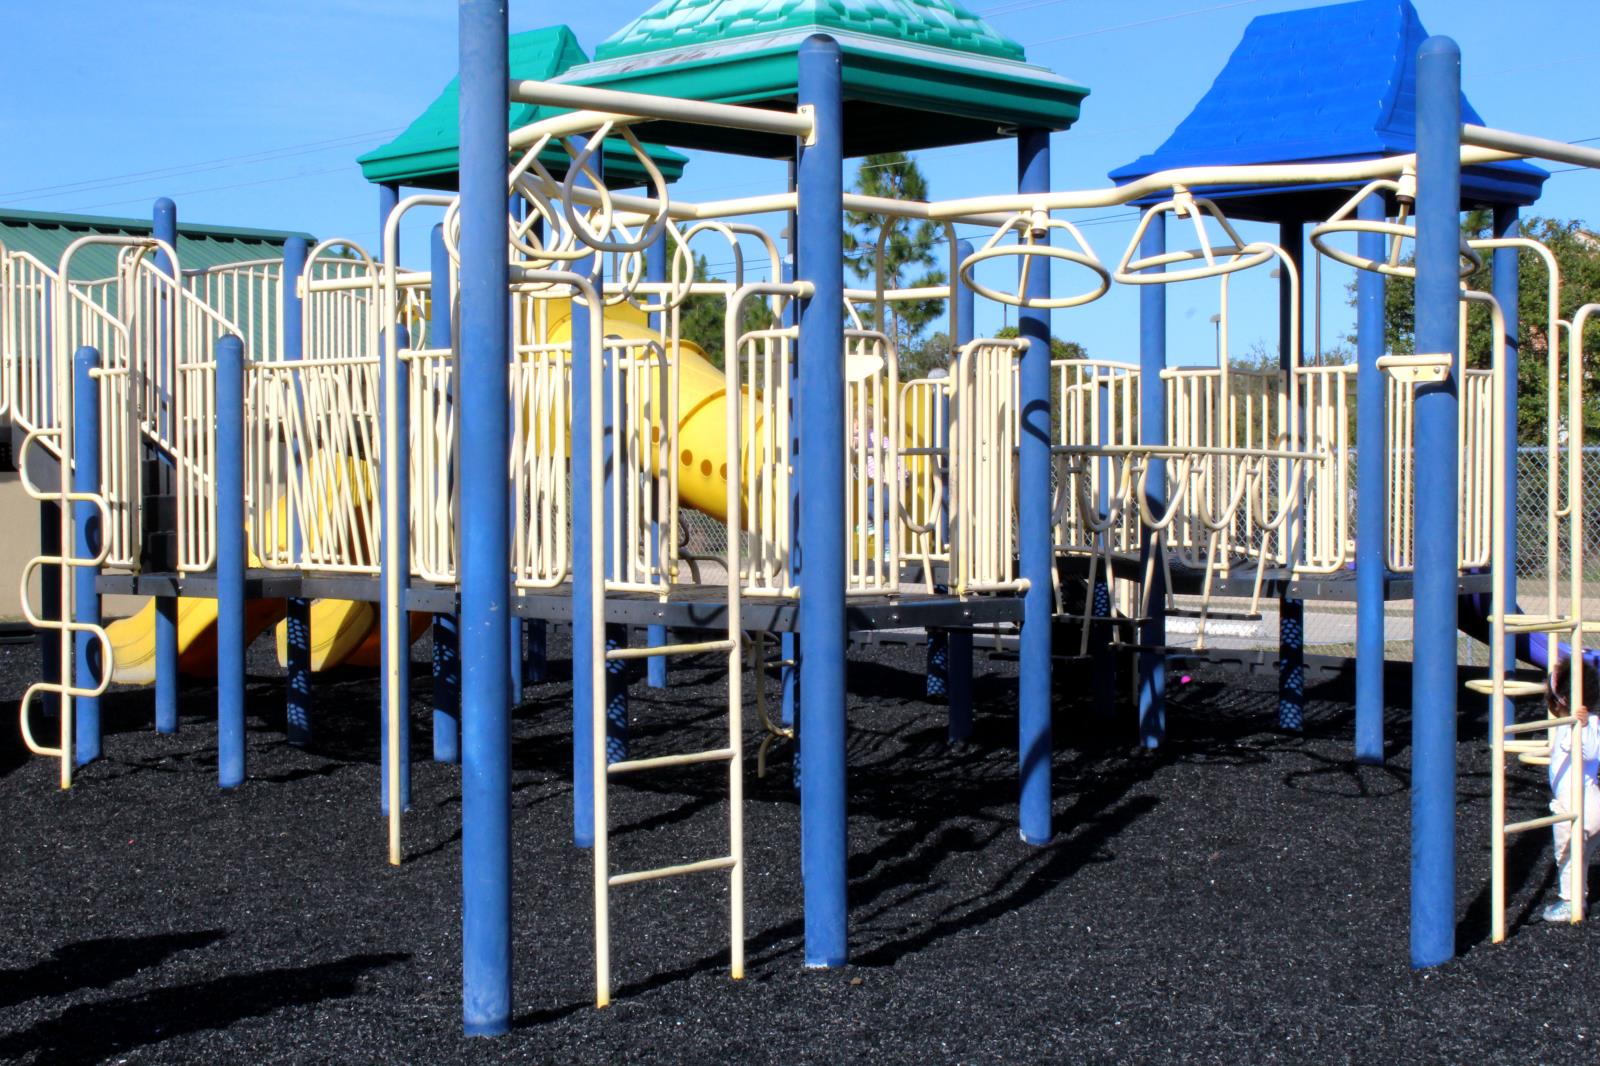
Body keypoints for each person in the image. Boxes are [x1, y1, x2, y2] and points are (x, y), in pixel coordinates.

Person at [1542, 655, 1600, 923]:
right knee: (1581, 855)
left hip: (1576, 802)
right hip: (1589, 800)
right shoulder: (1567, 725)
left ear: (1561, 700)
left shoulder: (1586, 725)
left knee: (1566, 853)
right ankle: (1579, 899)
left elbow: (1590, 753)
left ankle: (1570, 902)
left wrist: (1584, 727)